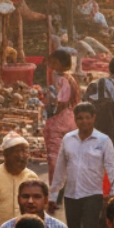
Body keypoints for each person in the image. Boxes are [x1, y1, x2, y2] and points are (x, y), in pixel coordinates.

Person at [48, 102, 114, 228]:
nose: (84, 121)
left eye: (88, 117)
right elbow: (60, 169)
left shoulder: (103, 141)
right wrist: (52, 196)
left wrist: (113, 196)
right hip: (71, 195)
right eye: (80, 118)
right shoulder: (68, 139)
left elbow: (112, 169)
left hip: (93, 195)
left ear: (93, 118)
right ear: (75, 119)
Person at [43, 50, 82, 187]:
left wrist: (54, 116)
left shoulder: (62, 79)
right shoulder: (69, 78)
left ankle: (56, 189)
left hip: (64, 119)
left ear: (60, 63)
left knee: (55, 154)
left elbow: (63, 101)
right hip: (72, 119)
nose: (51, 64)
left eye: (53, 62)